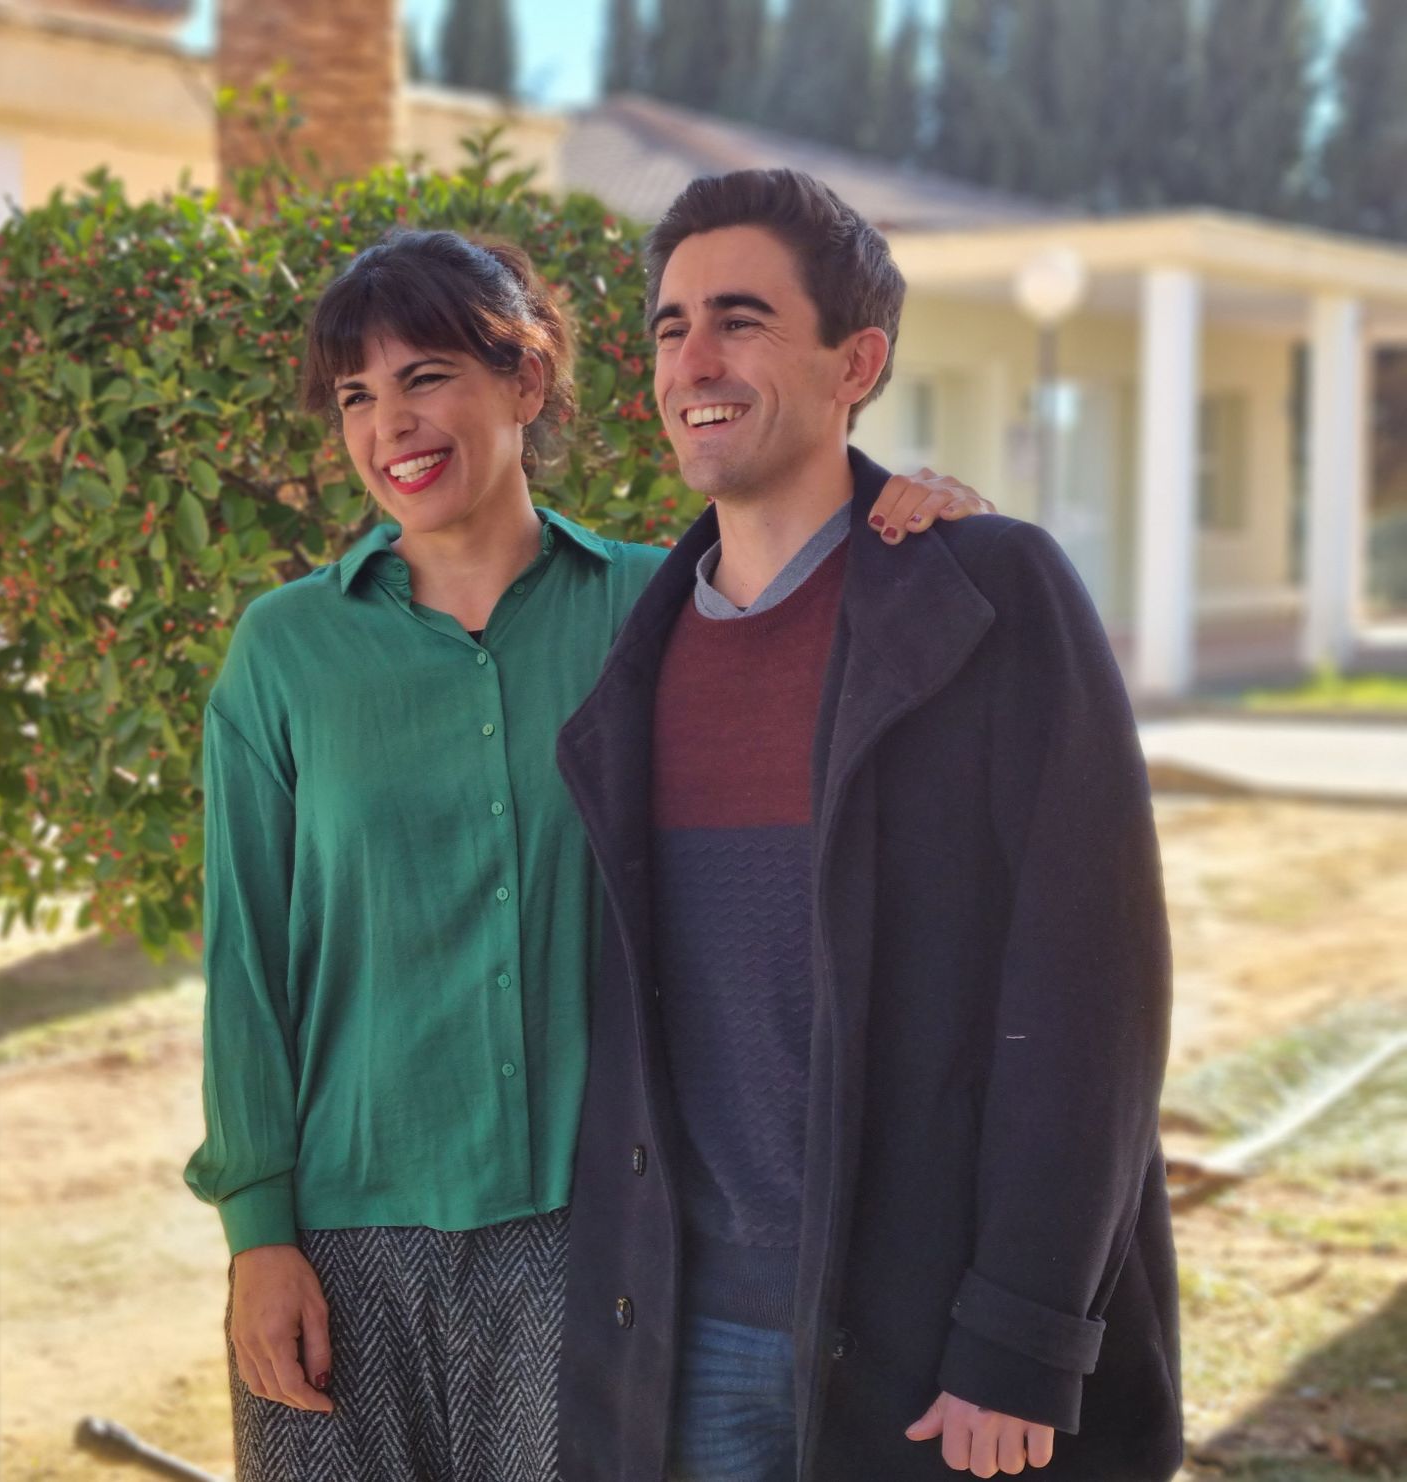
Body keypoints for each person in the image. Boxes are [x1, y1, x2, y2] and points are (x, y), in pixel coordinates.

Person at [181, 226, 996, 1482]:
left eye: (427, 375)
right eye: (356, 395)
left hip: (593, 1232)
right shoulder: (282, 654)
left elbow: (833, 603)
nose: (389, 423)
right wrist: (258, 1237)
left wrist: (930, 516)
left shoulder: (663, 603)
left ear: (525, 381)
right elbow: (246, 966)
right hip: (340, 1238)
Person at [551, 169, 1183, 1482]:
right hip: (687, 1337)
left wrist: (1018, 1337)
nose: (694, 359)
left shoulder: (990, 597)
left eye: (741, 319)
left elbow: (1091, 995)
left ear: (860, 360)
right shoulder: (637, 649)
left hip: (923, 1347)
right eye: (670, 326)